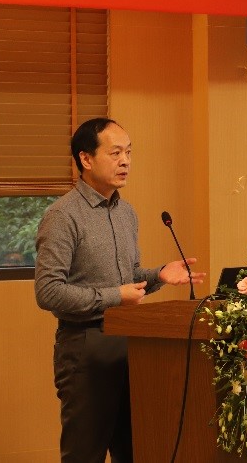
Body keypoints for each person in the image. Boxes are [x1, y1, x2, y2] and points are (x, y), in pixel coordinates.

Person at [35, 117, 205, 463]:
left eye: (128, 152)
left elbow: (128, 278)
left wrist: (160, 274)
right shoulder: (63, 216)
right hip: (86, 347)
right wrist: (116, 297)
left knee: (136, 451)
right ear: (86, 159)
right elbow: (49, 291)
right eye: (115, 153)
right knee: (85, 454)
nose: (125, 161)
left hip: (132, 345)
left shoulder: (126, 213)